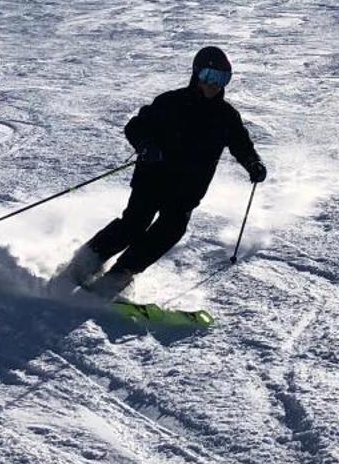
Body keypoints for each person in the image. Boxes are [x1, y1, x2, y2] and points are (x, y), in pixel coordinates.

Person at [66, 45, 267, 297]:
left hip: (188, 189)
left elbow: (242, 144)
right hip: (153, 178)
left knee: (169, 231)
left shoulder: (226, 116)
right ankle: (84, 263)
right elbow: (135, 127)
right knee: (134, 224)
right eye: (209, 76)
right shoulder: (171, 102)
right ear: (196, 75)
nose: (214, 84)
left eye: (221, 79)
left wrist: (253, 163)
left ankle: (120, 274)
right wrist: (146, 145)